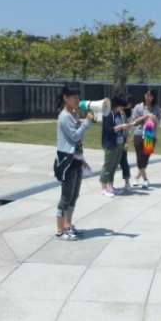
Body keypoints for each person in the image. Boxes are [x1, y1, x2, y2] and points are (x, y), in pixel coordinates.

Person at [55, 86, 93, 241]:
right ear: (65, 98)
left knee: (74, 195)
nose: (77, 100)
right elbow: (75, 137)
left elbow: (78, 141)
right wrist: (87, 122)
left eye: (78, 97)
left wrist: (82, 159)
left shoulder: (74, 114)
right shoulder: (64, 117)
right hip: (67, 161)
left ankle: (68, 225)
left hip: (76, 160)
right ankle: (60, 230)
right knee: (66, 197)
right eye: (74, 97)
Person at [100, 95, 130, 197]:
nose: (122, 108)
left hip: (118, 144)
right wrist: (121, 126)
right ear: (116, 105)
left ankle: (110, 186)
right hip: (110, 143)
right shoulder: (108, 114)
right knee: (108, 166)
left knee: (114, 166)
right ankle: (103, 188)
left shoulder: (119, 114)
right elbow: (109, 129)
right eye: (121, 106)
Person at [131, 89, 161, 188]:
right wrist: (145, 117)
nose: (148, 97)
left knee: (145, 158)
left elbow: (159, 123)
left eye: (151, 95)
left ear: (153, 97)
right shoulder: (138, 107)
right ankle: (145, 179)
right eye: (147, 95)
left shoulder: (156, 108)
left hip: (149, 134)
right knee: (139, 157)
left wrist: (154, 118)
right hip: (139, 134)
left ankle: (137, 177)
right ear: (144, 95)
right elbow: (134, 122)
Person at [119, 94, 135, 192]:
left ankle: (127, 182)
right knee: (112, 162)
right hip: (115, 139)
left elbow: (129, 129)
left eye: (130, 104)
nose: (129, 105)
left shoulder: (128, 113)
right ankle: (108, 184)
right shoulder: (118, 111)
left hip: (123, 139)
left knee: (124, 161)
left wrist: (127, 142)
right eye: (128, 103)